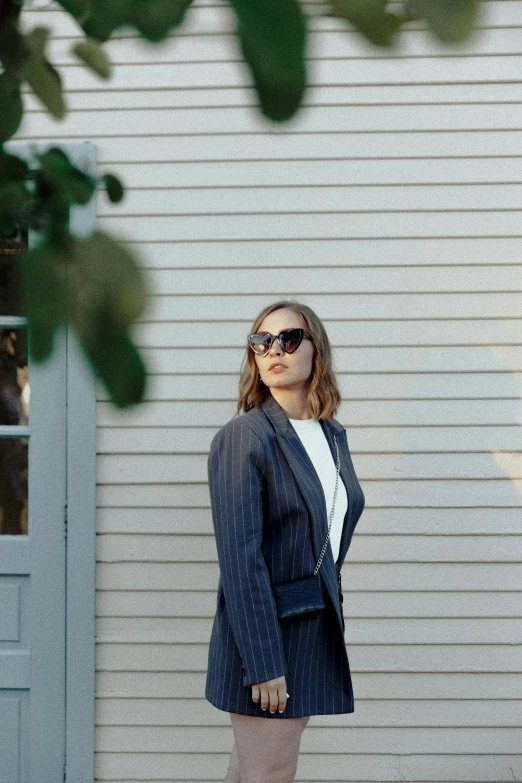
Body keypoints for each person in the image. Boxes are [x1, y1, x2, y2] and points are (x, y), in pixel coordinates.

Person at [205, 299, 366, 783]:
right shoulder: (245, 438)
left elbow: (331, 534)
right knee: (269, 772)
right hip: (266, 640)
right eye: (261, 342)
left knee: (253, 771)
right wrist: (264, 662)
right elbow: (241, 562)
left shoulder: (332, 436)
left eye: (289, 338)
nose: (274, 349)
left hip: (311, 630)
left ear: (317, 350)